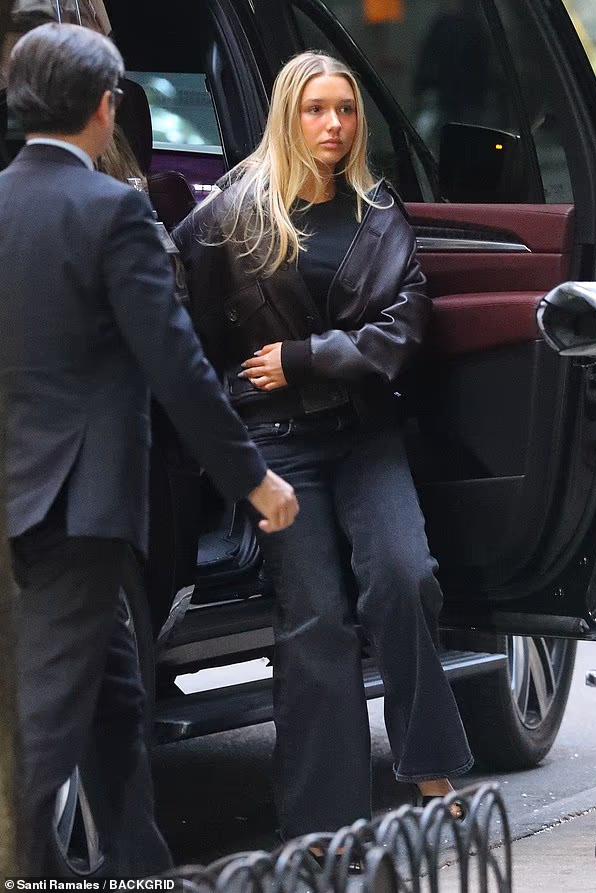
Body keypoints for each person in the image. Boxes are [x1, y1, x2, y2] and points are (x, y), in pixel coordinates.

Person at [0, 22, 298, 875]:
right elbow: (176, 365)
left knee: (114, 701)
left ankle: (135, 866)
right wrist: (253, 478)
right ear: (107, 108)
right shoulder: (115, 210)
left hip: (22, 489)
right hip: (81, 501)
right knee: (48, 722)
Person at [174, 50, 473, 843]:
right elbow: (176, 318)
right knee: (315, 619)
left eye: (345, 109)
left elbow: (403, 327)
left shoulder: (379, 211)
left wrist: (304, 359)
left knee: (406, 577)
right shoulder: (233, 213)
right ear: (288, 117)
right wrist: (219, 412)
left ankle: (430, 767)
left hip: (364, 432)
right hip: (276, 442)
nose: (334, 124)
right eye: (316, 109)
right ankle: (324, 831)